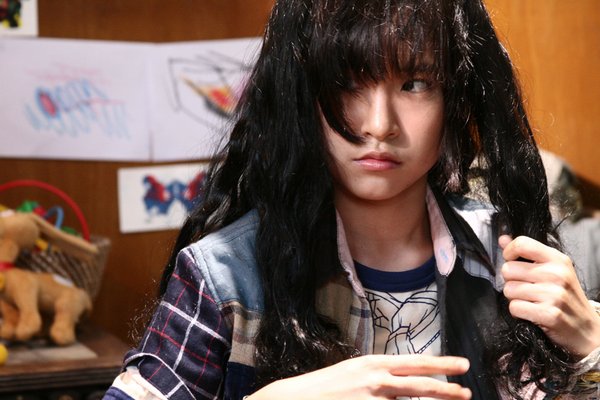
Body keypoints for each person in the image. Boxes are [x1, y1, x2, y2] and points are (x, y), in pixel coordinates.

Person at [104, 0, 600, 399]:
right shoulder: (227, 277)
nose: (379, 125)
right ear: (301, 94)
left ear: (455, 99)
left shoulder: (511, 258)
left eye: (414, 84)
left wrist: (593, 347)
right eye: (347, 82)